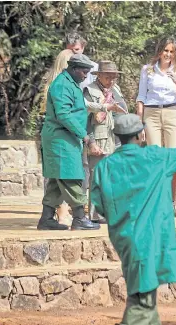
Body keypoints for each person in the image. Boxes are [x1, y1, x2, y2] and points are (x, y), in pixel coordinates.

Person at [90, 102, 176, 325]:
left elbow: (97, 204)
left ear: (118, 136)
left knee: (142, 292)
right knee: (142, 299)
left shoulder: (105, 166)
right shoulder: (156, 158)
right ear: (140, 134)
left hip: (123, 238)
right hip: (149, 238)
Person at [37, 54, 100, 231]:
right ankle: (79, 218)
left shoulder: (71, 84)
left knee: (57, 181)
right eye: (83, 72)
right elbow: (64, 115)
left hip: (66, 138)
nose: (85, 76)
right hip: (60, 139)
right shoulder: (62, 85)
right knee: (69, 177)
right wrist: (86, 137)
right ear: (73, 69)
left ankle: (47, 219)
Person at [136, 36, 176, 218]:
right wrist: (139, 123)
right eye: (165, 50)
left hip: (172, 112)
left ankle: (171, 203)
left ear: (175, 53)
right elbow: (141, 97)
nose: (168, 54)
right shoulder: (148, 70)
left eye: (171, 51)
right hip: (151, 114)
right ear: (159, 51)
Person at [83, 60, 128, 224]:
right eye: (108, 76)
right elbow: (85, 120)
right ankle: (95, 214)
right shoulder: (90, 91)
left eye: (114, 77)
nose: (111, 80)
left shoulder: (115, 90)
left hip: (115, 139)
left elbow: (122, 112)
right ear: (99, 75)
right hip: (99, 139)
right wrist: (91, 142)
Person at [65, 31, 99, 213]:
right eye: (70, 51)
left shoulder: (93, 68)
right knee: (72, 160)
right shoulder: (63, 67)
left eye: (77, 50)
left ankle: (82, 202)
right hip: (69, 119)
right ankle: (69, 203)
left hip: (87, 117)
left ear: (83, 48)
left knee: (86, 162)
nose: (74, 54)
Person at [39, 49, 75, 226]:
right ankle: (63, 213)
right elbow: (65, 114)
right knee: (62, 175)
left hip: (54, 134)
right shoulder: (61, 85)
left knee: (56, 176)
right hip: (60, 135)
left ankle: (49, 216)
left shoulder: (58, 83)